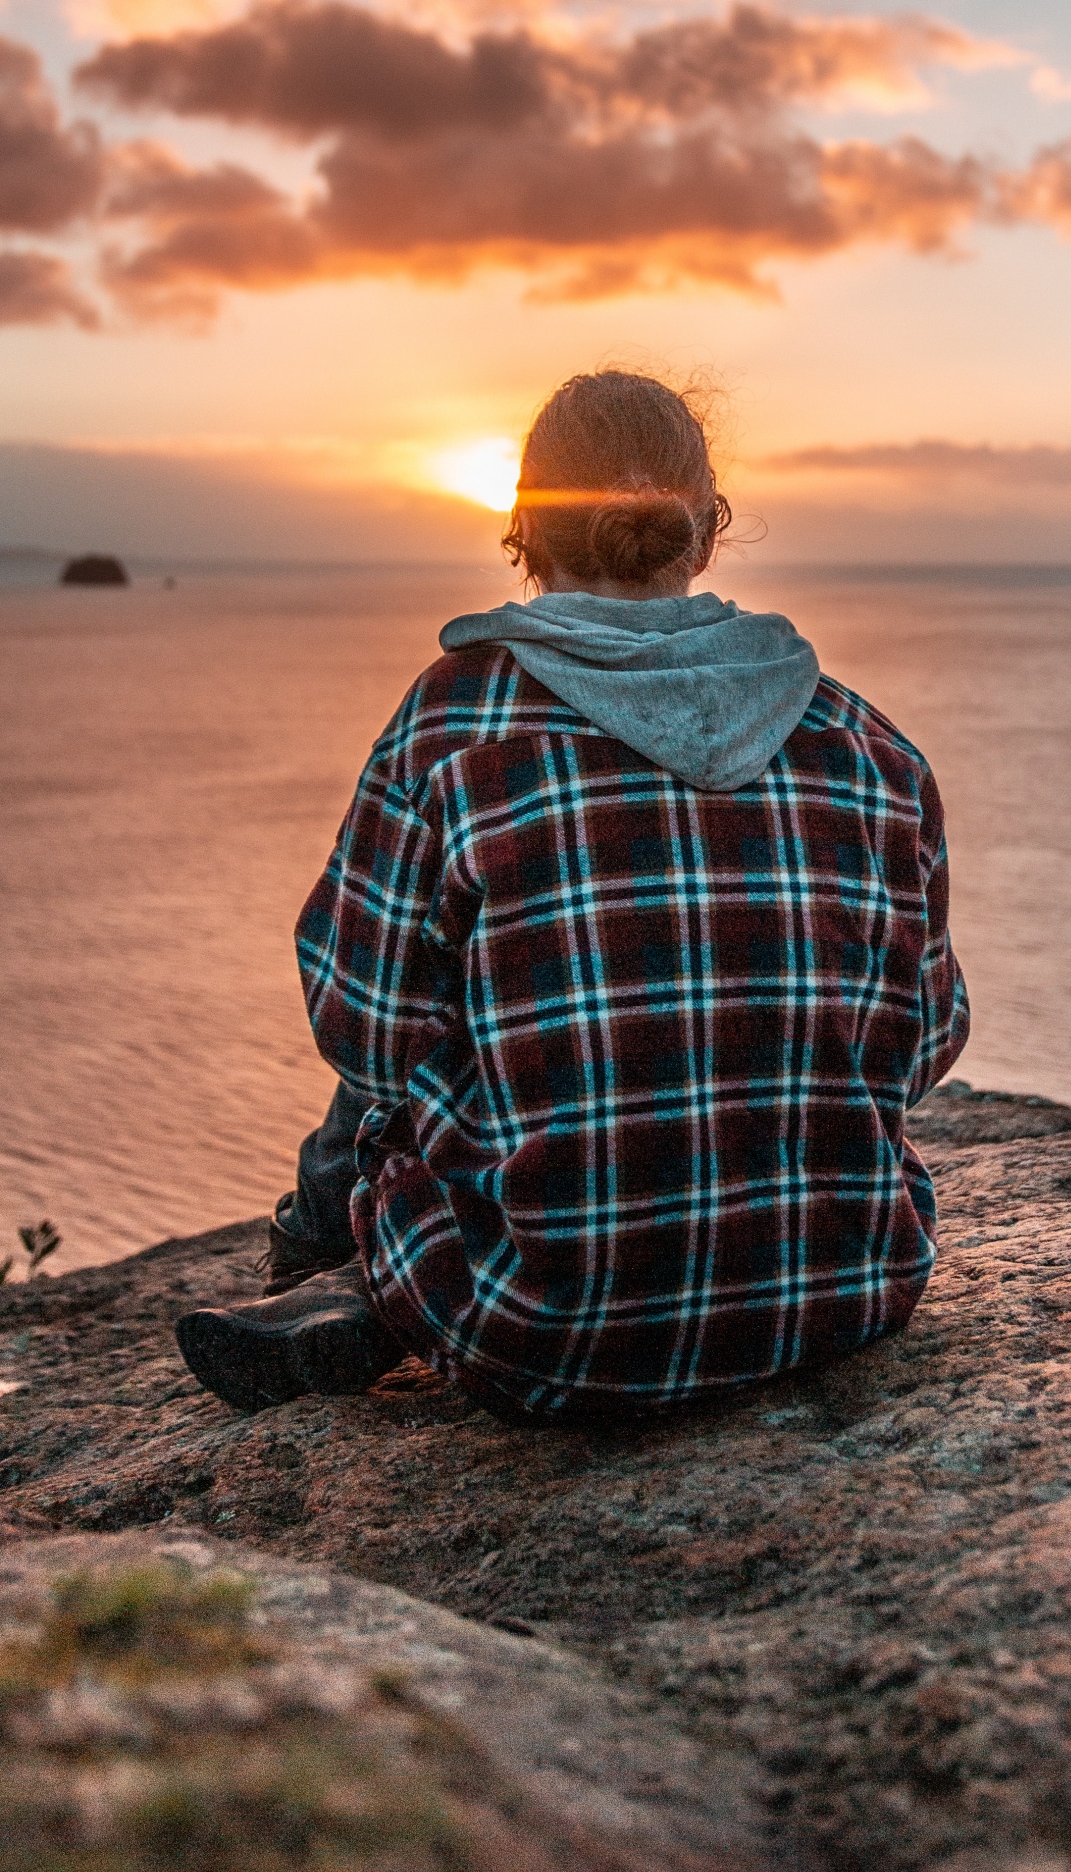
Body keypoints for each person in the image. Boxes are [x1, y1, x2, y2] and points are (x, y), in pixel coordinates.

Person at [176, 369, 968, 1419]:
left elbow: (365, 1034)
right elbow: (926, 1042)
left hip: (548, 1330)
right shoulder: (869, 745)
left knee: (412, 1019)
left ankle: (333, 1269)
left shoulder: (457, 723)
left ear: (523, 533)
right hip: (841, 1293)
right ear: (707, 529)